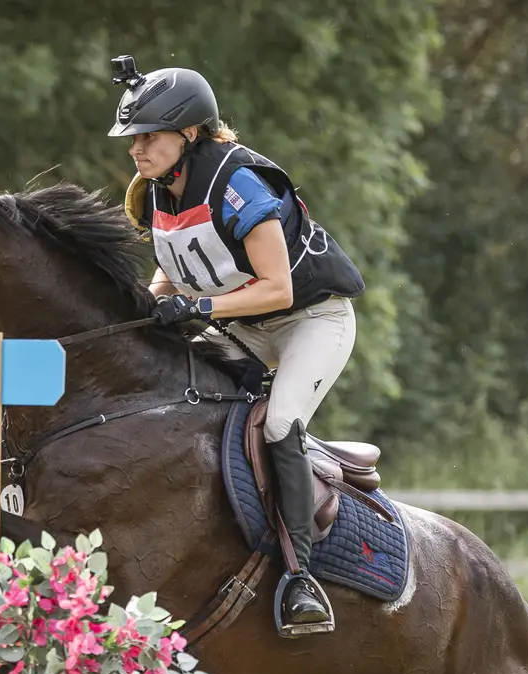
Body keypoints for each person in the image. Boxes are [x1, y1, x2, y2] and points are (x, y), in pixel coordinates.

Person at [108, 55, 366, 637]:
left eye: (147, 137)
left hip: (310, 320)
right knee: (171, 392)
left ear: (188, 133)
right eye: (133, 138)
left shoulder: (238, 184)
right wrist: (147, 309)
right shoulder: (154, 193)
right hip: (242, 324)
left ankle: (301, 577)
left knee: (279, 423)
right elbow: (174, 266)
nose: (136, 149)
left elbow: (277, 288)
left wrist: (196, 309)